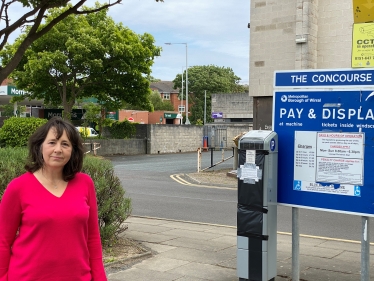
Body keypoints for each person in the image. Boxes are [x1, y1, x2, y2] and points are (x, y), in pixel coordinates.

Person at [0, 116, 107, 281]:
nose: (58, 149)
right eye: (52, 142)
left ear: (73, 151)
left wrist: (99, 277)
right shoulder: (18, 188)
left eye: (65, 144)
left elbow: (92, 237)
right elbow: (2, 241)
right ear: (40, 146)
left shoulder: (85, 184)